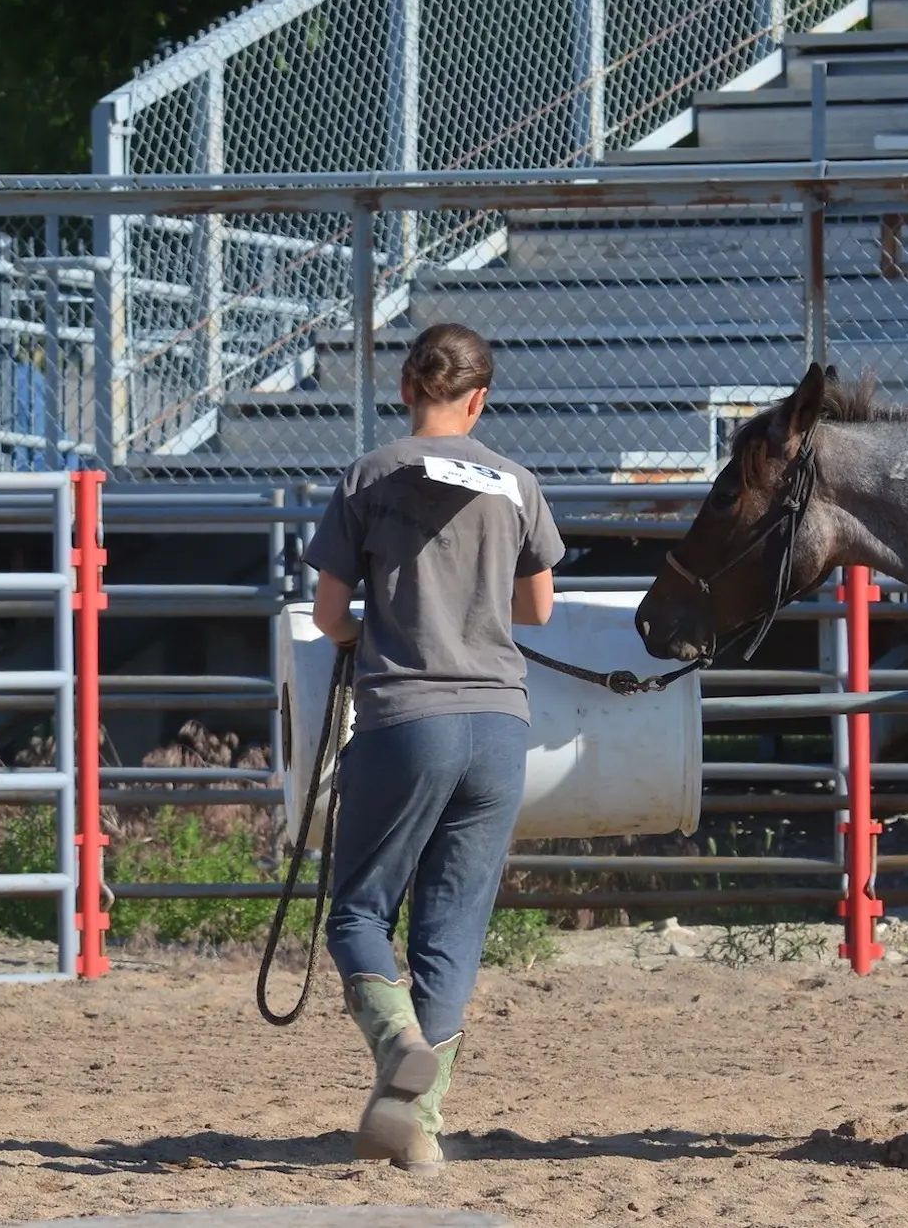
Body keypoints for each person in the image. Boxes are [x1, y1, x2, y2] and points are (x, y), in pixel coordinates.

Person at [304, 321, 563, 1177]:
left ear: (407, 389)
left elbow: (329, 617)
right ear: (480, 397)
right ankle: (418, 1127)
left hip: (405, 717)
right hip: (500, 725)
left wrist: (370, 628)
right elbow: (538, 611)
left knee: (357, 911)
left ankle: (398, 1039)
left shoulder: (369, 475)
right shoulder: (519, 483)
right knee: (450, 930)